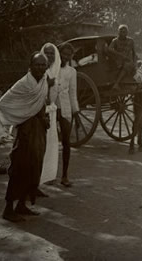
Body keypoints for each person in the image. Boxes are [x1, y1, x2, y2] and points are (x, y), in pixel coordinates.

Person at [0, 52, 50, 222]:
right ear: (31, 66)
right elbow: (3, 103)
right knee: (19, 168)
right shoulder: (23, 84)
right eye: (38, 64)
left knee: (34, 168)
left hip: (39, 130)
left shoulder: (44, 81)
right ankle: (8, 209)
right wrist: (21, 116)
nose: (41, 68)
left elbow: (42, 104)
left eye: (44, 65)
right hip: (26, 131)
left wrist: (43, 118)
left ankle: (21, 204)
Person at [55, 43, 80, 187]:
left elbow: (72, 93)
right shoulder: (51, 69)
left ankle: (64, 175)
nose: (66, 57)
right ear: (59, 53)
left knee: (66, 142)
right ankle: (44, 175)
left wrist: (75, 111)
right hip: (52, 108)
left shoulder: (72, 72)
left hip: (65, 108)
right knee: (47, 142)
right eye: (64, 54)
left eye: (69, 55)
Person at [40, 43, 61, 187]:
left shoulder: (57, 70)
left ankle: (46, 177)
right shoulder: (40, 69)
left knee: (51, 145)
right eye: (47, 53)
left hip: (51, 111)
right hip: (40, 112)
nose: (49, 56)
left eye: (52, 53)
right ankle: (37, 179)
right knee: (40, 146)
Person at [107, 24, 137, 90]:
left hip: (127, 60)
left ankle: (127, 83)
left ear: (127, 32)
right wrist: (119, 54)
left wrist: (134, 62)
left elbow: (134, 53)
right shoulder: (115, 41)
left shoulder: (131, 41)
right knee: (127, 65)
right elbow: (109, 49)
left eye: (125, 32)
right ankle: (116, 84)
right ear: (118, 32)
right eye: (121, 31)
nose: (123, 33)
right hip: (117, 61)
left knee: (133, 66)